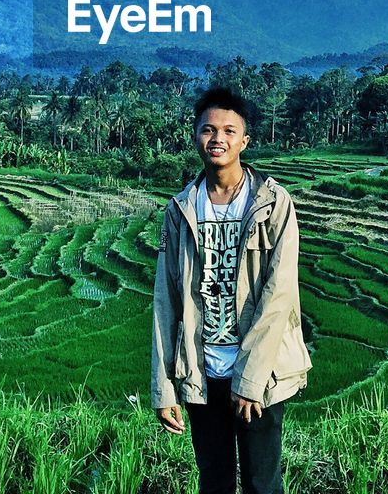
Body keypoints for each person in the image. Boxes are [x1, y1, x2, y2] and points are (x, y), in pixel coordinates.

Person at [150, 86, 311, 494]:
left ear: (244, 141)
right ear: (195, 136)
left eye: (228, 130)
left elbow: (280, 296)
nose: (217, 138)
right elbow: (166, 301)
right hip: (202, 373)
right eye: (208, 129)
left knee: (262, 484)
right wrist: (164, 386)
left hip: (260, 374)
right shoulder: (180, 209)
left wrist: (251, 379)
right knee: (214, 482)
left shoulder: (273, 204)